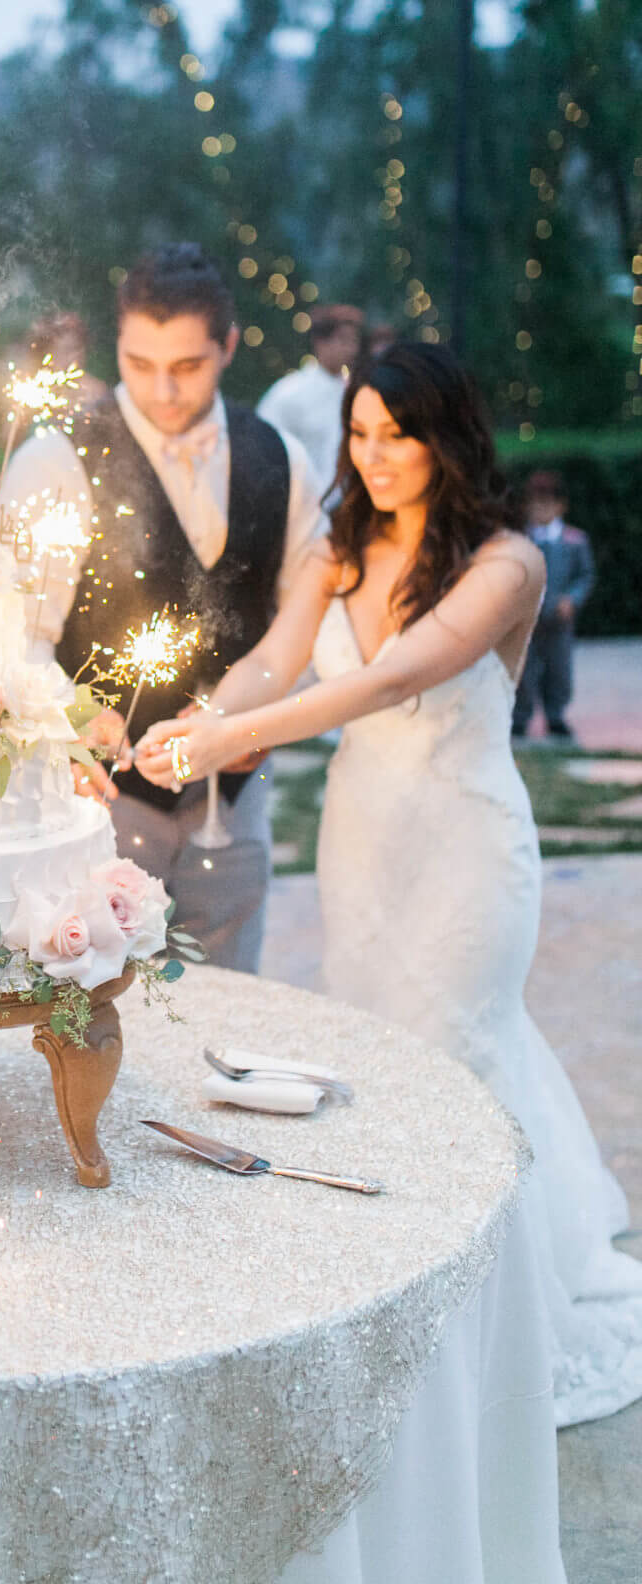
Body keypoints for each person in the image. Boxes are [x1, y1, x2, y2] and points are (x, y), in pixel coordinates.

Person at [135, 341, 642, 1428]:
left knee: (460, 1044)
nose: (372, 455)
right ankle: (403, 1292)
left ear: (447, 438)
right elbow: (277, 658)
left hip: (465, 847)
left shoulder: (508, 563)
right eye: (359, 432)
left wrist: (238, 735)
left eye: (396, 434)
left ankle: (492, 1321)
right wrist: (205, 713)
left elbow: (398, 675)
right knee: (384, 1053)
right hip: (363, 846)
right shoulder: (339, 546)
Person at [2, 243, 323, 973]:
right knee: (97, 1004)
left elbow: (307, 619)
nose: (163, 391)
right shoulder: (56, 459)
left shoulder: (281, 456)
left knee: (230, 991)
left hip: (236, 804)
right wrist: (74, 720)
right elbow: (14, 639)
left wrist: (258, 718)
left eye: (188, 366)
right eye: (139, 365)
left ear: (229, 346)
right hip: (101, 803)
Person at [512, 468, 595, 741]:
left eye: (547, 503)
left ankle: (556, 715)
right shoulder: (520, 540)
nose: (541, 509)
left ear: (561, 506)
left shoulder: (575, 540)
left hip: (559, 619)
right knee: (524, 670)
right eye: (535, 503)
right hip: (527, 619)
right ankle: (520, 716)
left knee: (559, 669)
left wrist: (572, 598)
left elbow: (585, 575)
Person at [256, 304, 363, 496]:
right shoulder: (289, 393)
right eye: (343, 340)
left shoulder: (356, 392)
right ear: (320, 343)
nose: (350, 349)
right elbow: (262, 448)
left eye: (353, 341)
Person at [25, 310, 109, 415]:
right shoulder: (31, 392)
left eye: (77, 349)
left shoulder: (96, 392)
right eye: (65, 351)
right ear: (48, 353)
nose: (73, 357)